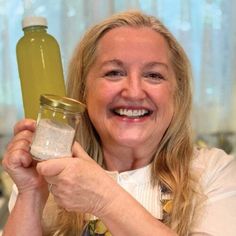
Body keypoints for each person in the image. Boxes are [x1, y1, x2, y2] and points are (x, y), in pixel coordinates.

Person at [2, 10, 236, 236]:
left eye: (154, 75)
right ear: (84, 91)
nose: (134, 92)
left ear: (177, 93)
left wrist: (104, 197)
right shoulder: (48, 175)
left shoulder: (214, 172)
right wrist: (31, 192)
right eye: (114, 73)